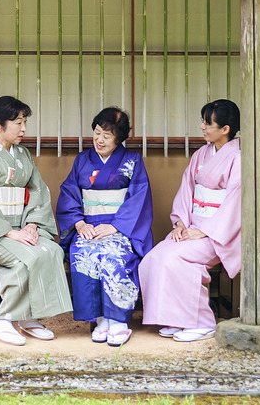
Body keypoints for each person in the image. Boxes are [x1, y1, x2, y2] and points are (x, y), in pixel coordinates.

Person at [0, 95, 72, 346]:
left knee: (52, 250)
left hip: (23, 226)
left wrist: (32, 225)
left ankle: (29, 318)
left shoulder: (23, 155)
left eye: (24, 122)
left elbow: (38, 191)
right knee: (26, 259)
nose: (23, 128)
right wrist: (8, 233)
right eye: (17, 122)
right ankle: (4, 320)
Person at [138, 99, 241, 342]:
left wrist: (205, 231)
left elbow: (237, 201)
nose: (202, 127)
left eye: (208, 123)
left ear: (225, 129)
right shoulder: (200, 155)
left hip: (221, 234)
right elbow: (187, 191)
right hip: (194, 228)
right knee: (155, 257)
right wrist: (181, 224)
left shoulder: (238, 157)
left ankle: (203, 322)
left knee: (177, 258)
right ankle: (177, 319)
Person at [56, 107, 154, 347]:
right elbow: (69, 193)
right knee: (83, 253)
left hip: (120, 228)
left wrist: (116, 227)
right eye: (97, 132)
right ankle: (100, 319)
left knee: (115, 254)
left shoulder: (132, 161)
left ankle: (119, 320)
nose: (99, 139)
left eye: (107, 135)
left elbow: (138, 198)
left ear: (119, 139)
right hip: (88, 226)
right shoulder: (82, 160)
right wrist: (79, 223)